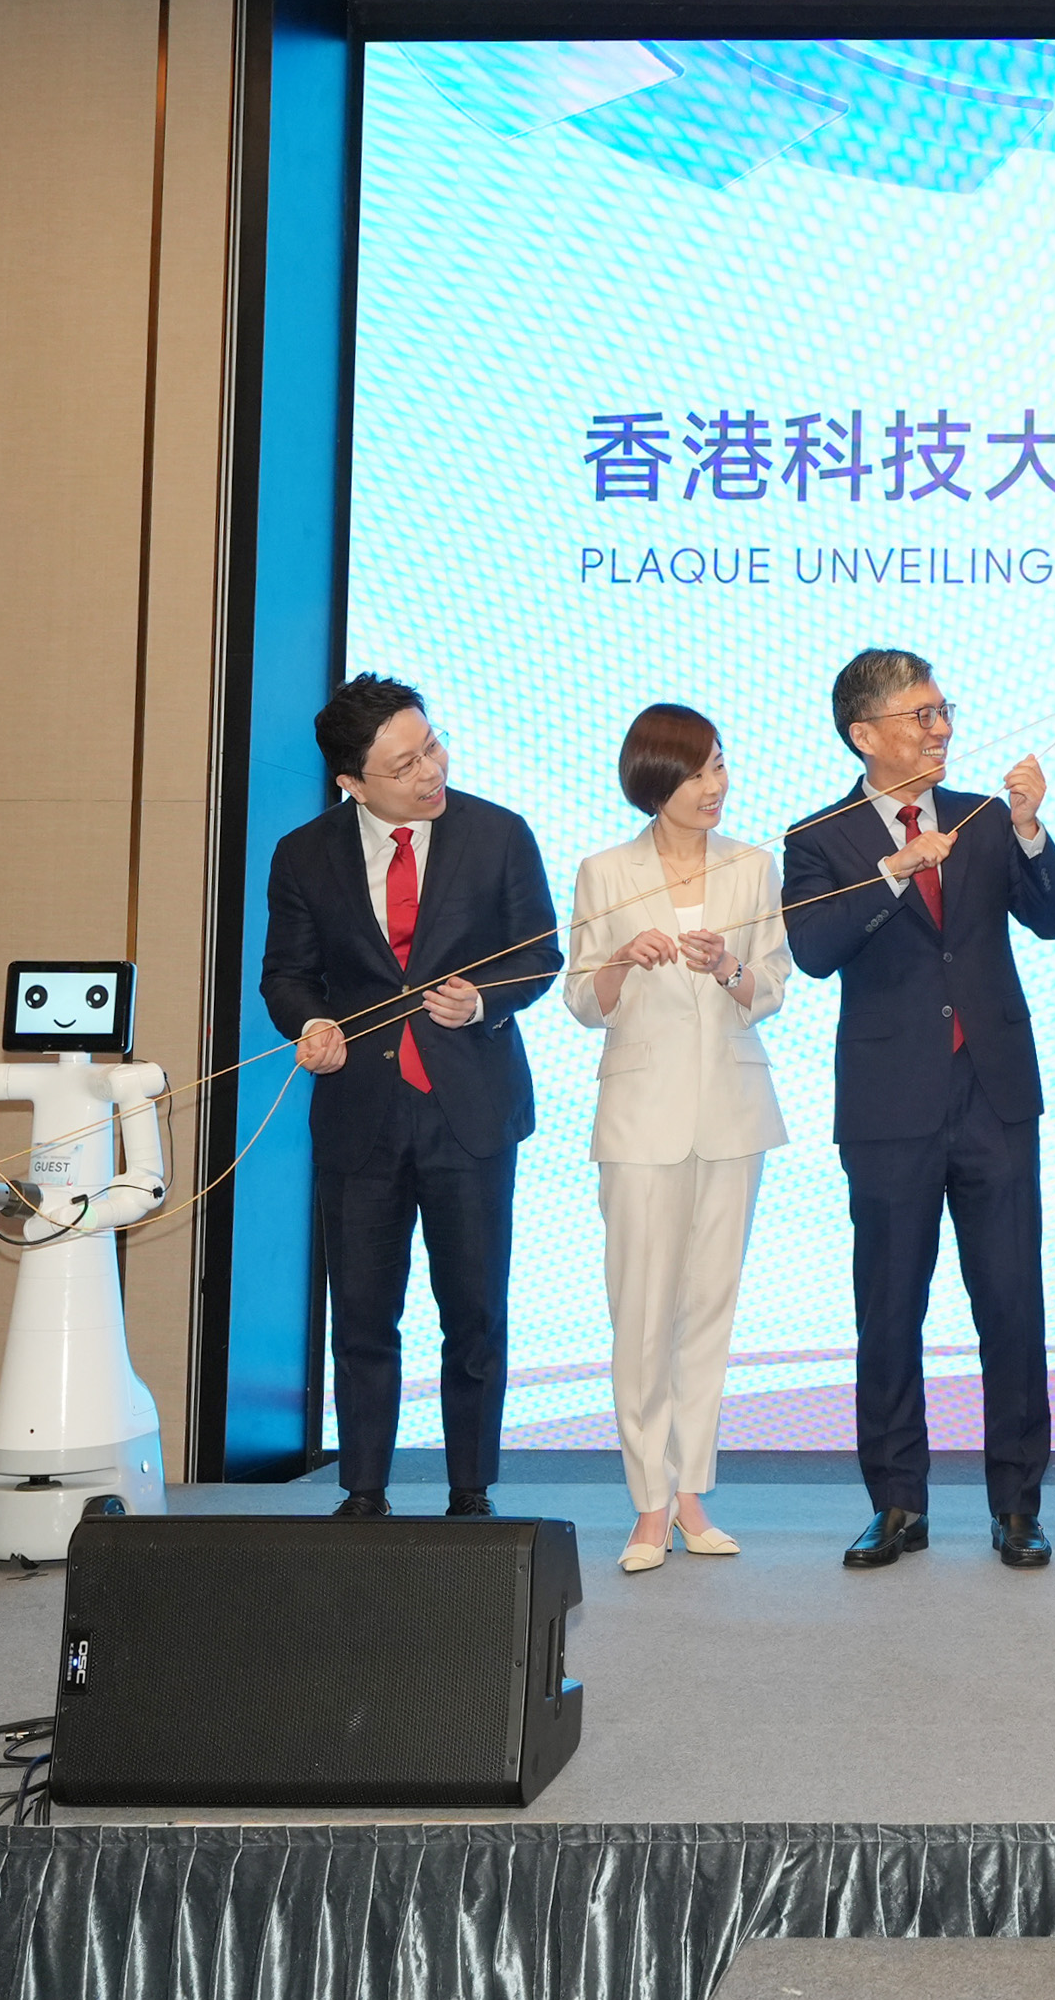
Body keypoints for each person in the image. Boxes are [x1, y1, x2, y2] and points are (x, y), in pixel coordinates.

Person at [783, 650, 1055, 1572]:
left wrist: (1030, 829)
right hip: (889, 1105)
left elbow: (1054, 917)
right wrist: (895, 871)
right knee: (889, 1308)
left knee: (1010, 1304)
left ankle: (1018, 1505)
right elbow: (816, 949)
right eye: (919, 714)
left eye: (943, 709)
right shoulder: (819, 838)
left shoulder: (987, 819)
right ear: (864, 734)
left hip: (992, 1096)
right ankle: (897, 1505)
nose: (940, 728)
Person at [261, 675, 561, 1519]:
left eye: (431, 746)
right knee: (362, 1316)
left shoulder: (498, 834)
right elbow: (286, 974)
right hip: (361, 1112)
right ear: (352, 783)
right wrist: (310, 1022)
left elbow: (538, 954)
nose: (431, 770)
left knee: (472, 1312)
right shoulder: (303, 854)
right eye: (404, 764)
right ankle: (363, 1489)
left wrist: (483, 999)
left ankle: (471, 1490)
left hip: (467, 1110)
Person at [564, 704, 791, 1576]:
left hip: (732, 1113)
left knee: (708, 1308)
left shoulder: (751, 867)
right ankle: (647, 1503)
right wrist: (623, 956)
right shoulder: (604, 871)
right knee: (641, 1313)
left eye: (721, 767)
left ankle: (693, 1489)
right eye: (697, 773)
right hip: (639, 1118)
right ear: (655, 782)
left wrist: (730, 968)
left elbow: (770, 981)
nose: (714, 788)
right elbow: (584, 1000)